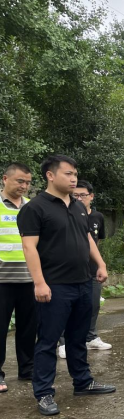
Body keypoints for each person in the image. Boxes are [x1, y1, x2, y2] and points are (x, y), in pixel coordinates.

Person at [17, 155, 115, 416]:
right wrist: (39, 282)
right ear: (50, 175)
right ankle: (44, 392)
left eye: (75, 174)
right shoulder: (35, 208)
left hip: (84, 282)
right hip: (55, 286)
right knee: (48, 341)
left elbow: (87, 238)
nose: (73, 179)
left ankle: (83, 382)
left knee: (78, 338)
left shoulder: (78, 206)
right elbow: (29, 247)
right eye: (68, 174)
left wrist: (101, 264)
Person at [57, 180, 111, 359]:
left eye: (83, 195)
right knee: (68, 308)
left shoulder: (97, 217)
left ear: (91, 197)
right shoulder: (66, 215)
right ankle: (64, 342)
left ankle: (91, 336)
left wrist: (100, 264)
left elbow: (96, 242)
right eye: (75, 195)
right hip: (70, 271)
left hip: (92, 270)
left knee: (93, 305)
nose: (79, 198)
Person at [0, 163, 36, 393]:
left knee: (28, 328)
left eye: (28, 182)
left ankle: (28, 369)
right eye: (19, 181)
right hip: (2, 280)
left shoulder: (32, 208)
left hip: (28, 278)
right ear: (5, 179)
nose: (24, 186)